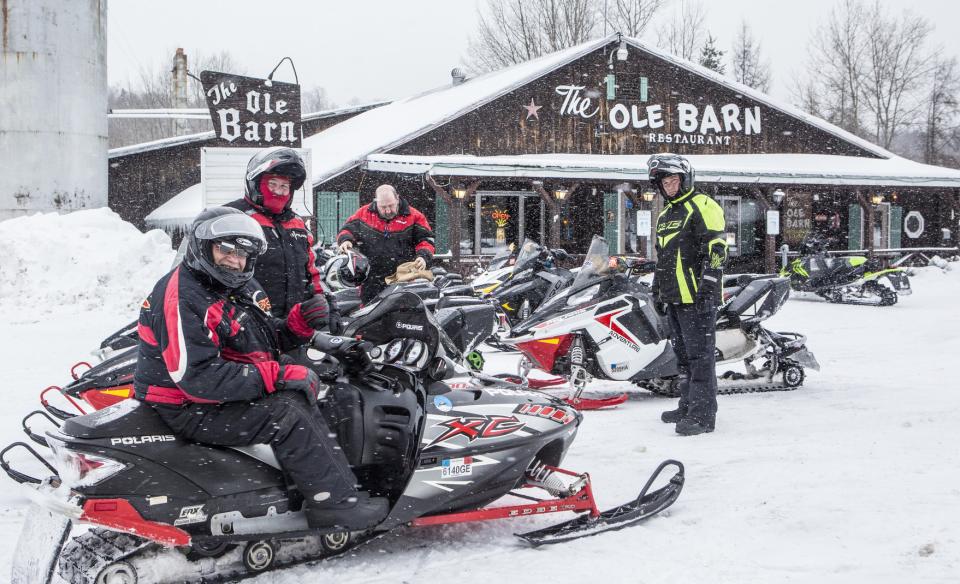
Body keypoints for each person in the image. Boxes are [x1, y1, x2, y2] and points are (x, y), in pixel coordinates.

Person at [133, 207, 388, 530]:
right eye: (226, 249)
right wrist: (277, 375)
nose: (234, 261)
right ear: (202, 247)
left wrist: (295, 326)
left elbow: (255, 341)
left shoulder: (223, 286)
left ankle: (309, 484)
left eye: (242, 254)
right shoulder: (183, 297)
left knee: (321, 391)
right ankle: (334, 506)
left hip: (202, 397)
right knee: (287, 413)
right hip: (185, 406)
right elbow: (197, 379)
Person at [648, 153, 728, 436]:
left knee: (700, 357)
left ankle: (703, 416)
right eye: (665, 183)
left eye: (673, 181)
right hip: (674, 298)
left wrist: (709, 284)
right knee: (682, 357)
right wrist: (657, 290)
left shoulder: (703, 205)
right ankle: (687, 405)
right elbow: (663, 257)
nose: (669, 187)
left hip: (697, 297)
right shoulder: (666, 215)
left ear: (685, 179)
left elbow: (717, 248)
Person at [225, 147, 325, 319]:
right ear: (256, 183)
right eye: (272, 184)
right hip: (248, 320)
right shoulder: (234, 217)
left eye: (284, 186)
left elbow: (312, 271)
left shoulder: (297, 223)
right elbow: (221, 271)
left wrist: (323, 300)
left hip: (294, 324)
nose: (279, 191)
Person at [336, 184, 435, 302]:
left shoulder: (414, 216)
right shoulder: (363, 214)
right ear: (376, 202)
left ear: (397, 198)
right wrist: (346, 240)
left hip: (403, 278)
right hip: (370, 279)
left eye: (391, 206)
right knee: (369, 315)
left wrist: (423, 256)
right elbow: (346, 230)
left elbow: (426, 240)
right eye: (383, 207)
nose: (388, 211)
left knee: (401, 313)